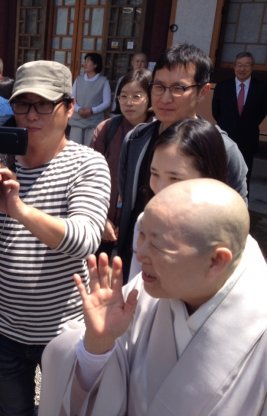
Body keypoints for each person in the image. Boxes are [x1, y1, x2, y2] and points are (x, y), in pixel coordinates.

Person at [0, 60, 110, 416]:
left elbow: (84, 239)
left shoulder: (88, 164)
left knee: (67, 410)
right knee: (14, 410)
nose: (31, 115)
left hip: (64, 329)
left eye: (44, 104)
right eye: (23, 103)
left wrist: (18, 209)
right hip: (2, 327)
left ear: (68, 108)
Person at [39, 178, 267, 415]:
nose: (140, 254)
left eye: (158, 245)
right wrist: (97, 346)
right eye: (142, 236)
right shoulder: (147, 291)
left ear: (216, 261)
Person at [117, 43, 248, 278]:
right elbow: (129, 197)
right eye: (159, 86)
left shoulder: (223, 149)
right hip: (135, 259)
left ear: (203, 91)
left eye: (179, 87)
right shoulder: (135, 139)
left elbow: (235, 221)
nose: (165, 97)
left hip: (187, 272)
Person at [127, 117, 228, 280]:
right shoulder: (145, 222)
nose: (160, 188)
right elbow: (137, 287)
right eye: (154, 174)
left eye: (174, 178)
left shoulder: (229, 237)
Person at [91, 69, 153, 256]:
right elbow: (89, 178)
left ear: (149, 98)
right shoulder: (106, 129)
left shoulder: (160, 133)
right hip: (105, 219)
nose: (129, 102)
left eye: (137, 96)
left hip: (142, 224)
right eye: (123, 96)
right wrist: (100, 219)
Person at [212, 51, 267, 191]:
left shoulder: (261, 89)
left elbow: (261, 113)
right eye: (239, 65)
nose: (242, 69)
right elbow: (216, 111)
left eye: (247, 65)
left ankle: (241, 205)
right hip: (226, 137)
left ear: (252, 67)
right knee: (220, 173)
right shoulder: (223, 86)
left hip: (248, 139)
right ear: (234, 67)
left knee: (244, 176)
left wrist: (246, 125)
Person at [68, 52, 111, 146]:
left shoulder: (103, 81)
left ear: (95, 65)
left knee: (90, 147)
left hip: (94, 121)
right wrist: (78, 109)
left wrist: (92, 110)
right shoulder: (78, 80)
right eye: (85, 61)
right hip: (77, 120)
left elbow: (107, 102)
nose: (85, 64)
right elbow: (72, 97)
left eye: (88, 61)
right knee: (73, 147)